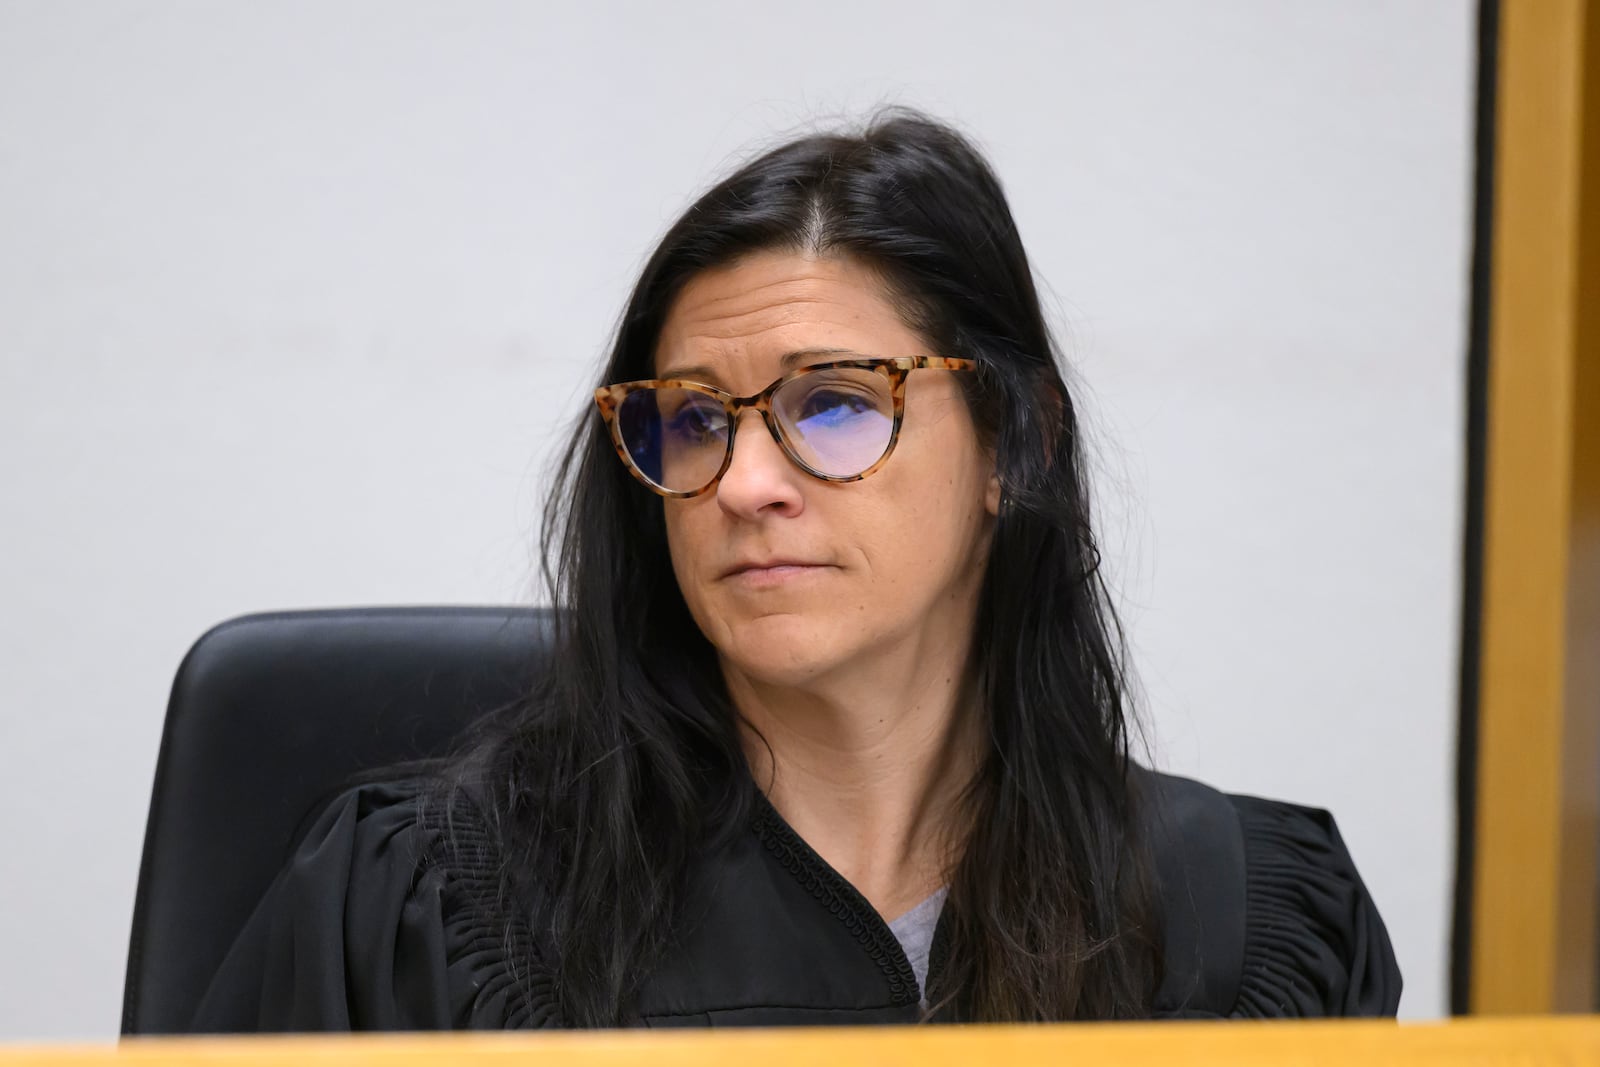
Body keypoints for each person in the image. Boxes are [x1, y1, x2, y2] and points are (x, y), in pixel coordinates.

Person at [193, 110, 1401, 1031]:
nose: (742, 483)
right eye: (694, 419)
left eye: (832, 403)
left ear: (1013, 442)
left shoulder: (1238, 924)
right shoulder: (431, 909)